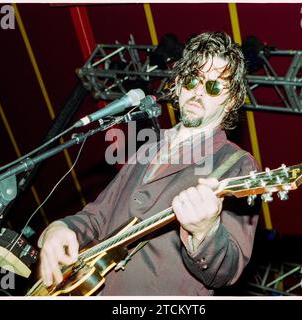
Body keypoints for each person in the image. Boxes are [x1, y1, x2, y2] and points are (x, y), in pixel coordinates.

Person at [36, 31, 260, 296]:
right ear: (177, 85)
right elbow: (99, 215)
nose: (198, 91)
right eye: (191, 80)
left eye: (213, 86)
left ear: (232, 100)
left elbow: (227, 270)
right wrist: (63, 227)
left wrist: (206, 232)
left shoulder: (236, 165)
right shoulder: (149, 146)